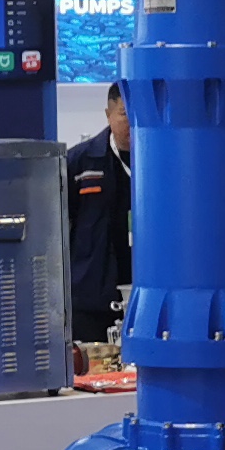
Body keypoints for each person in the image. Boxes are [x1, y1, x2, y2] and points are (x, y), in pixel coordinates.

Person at [68, 89, 135, 345]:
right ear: (108, 114)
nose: (132, 122)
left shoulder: (163, 160)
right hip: (91, 295)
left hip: (143, 292)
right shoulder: (80, 161)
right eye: (125, 114)